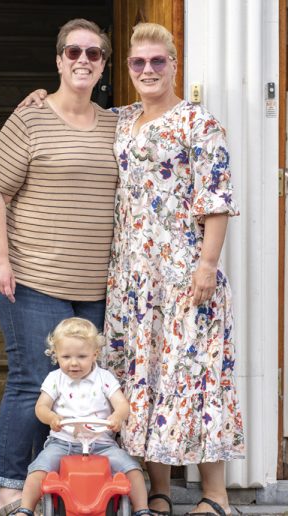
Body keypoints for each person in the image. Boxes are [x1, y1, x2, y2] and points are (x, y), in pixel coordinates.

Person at [19, 22, 244, 516]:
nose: (147, 70)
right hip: (134, 278)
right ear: (127, 69)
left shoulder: (197, 123)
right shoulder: (122, 120)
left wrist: (208, 265)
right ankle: (158, 491)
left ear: (173, 65)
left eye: (157, 61)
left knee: (194, 378)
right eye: (138, 63)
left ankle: (217, 497)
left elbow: (218, 201)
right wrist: (37, 97)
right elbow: (73, 110)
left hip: (186, 274)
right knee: (147, 378)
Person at [0, 19, 119, 516]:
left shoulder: (116, 124)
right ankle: (11, 490)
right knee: (32, 380)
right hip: (33, 279)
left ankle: (66, 487)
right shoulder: (29, 120)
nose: (83, 60)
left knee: (86, 385)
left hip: (96, 288)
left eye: (94, 53)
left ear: (103, 65)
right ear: (58, 60)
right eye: (73, 51)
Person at [13, 317, 151, 516]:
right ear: (56, 355)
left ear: (95, 354)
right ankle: (25, 509)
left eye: (82, 356)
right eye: (66, 357)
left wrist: (117, 417)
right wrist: (51, 417)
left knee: (132, 469)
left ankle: (141, 510)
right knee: (38, 469)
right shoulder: (55, 379)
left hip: (102, 444)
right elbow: (41, 407)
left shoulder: (104, 378)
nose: (74, 363)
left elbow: (122, 404)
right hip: (63, 442)